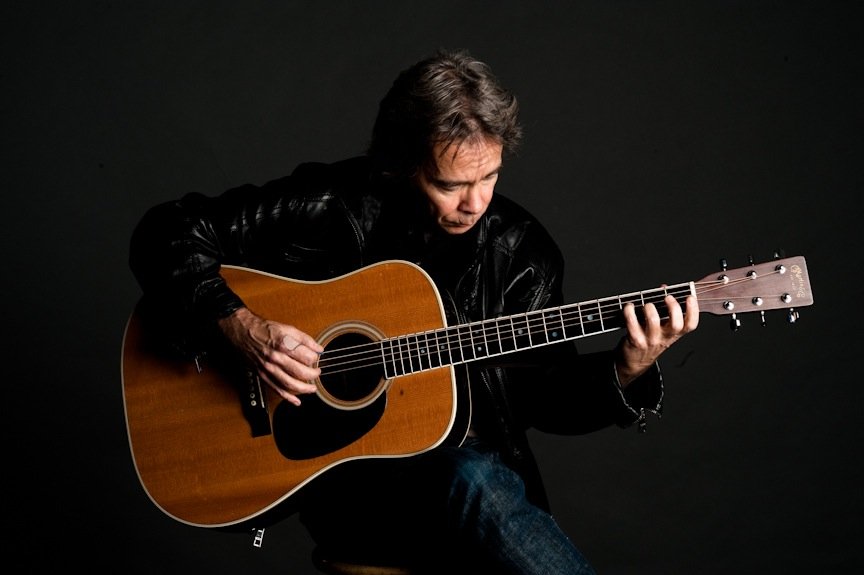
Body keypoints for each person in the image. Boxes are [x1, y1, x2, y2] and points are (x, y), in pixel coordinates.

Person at [129, 49, 698, 574]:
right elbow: (165, 233)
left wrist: (626, 370)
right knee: (474, 475)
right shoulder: (334, 203)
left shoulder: (522, 253)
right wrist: (243, 328)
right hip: (349, 490)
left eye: (491, 176)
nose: (476, 203)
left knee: (475, 473)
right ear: (401, 164)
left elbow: (545, 400)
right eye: (451, 184)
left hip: (473, 494)